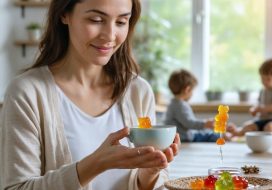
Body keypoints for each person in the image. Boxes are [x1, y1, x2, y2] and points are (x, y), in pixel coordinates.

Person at [0, 0, 180, 190]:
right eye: (96, 20)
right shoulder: (27, 93)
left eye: (121, 22)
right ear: (64, 14)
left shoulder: (138, 91)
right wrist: (96, 163)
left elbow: (148, 185)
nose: (110, 35)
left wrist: (150, 172)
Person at [227, 59, 272, 137]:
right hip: (261, 119)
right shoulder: (262, 91)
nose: (264, 82)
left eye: (268, 79)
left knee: (270, 127)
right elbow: (258, 104)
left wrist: (263, 109)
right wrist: (254, 109)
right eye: (262, 79)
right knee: (247, 125)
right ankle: (237, 132)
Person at [164, 69, 219, 142]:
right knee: (212, 136)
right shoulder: (179, 105)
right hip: (184, 138)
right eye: (192, 91)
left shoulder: (173, 103)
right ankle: (224, 136)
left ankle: (224, 135)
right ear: (187, 89)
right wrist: (205, 124)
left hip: (184, 135)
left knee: (206, 133)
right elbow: (189, 123)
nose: (192, 94)